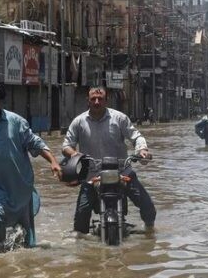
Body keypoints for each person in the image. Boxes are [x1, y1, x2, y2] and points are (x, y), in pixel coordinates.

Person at [0, 80, 62, 250]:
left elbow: (35, 143)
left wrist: (53, 161)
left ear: (2, 102)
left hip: (20, 186)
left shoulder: (16, 122)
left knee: (28, 238)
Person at [62, 86, 156, 234]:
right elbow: (66, 145)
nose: (97, 102)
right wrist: (75, 155)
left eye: (100, 99)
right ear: (88, 101)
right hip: (92, 176)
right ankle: (81, 245)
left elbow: (136, 136)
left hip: (122, 172)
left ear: (107, 100)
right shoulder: (79, 121)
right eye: (93, 99)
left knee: (147, 206)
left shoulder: (119, 118)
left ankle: (150, 230)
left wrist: (142, 150)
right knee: (81, 215)